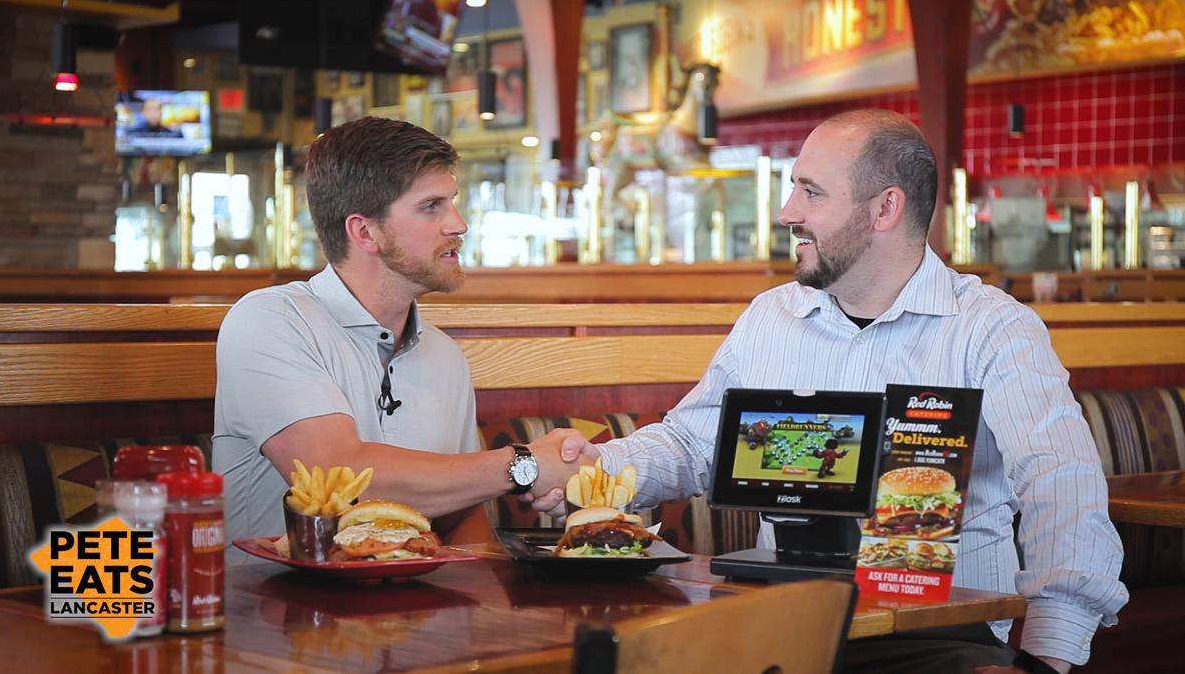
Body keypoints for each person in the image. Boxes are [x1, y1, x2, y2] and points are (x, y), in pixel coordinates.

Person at [551, 109, 1127, 673]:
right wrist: (591, 467)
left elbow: (1060, 483)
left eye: (811, 192)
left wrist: (1047, 656)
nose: (786, 213)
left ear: (885, 208)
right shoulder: (771, 316)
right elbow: (694, 445)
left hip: (934, 632)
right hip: (783, 624)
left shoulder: (991, 328)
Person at [213, 117, 583, 556]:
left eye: (453, 202)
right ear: (365, 232)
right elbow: (338, 475)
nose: (458, 224)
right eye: (432, 206)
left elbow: (460, 515)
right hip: (279, 610)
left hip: (415, 611)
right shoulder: (269, 321)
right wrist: (523, 465)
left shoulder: (444, 356)